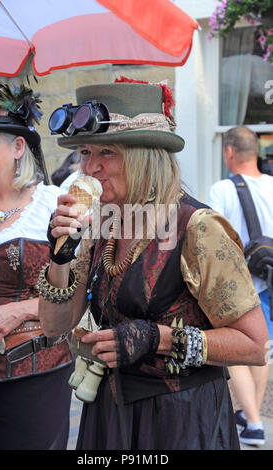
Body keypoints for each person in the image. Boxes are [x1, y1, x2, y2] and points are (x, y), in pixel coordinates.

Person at [38, 80, 269, 450]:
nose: (90, 166)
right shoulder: (102, 222)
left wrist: (156, 338)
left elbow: (254, 346)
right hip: (109, 414)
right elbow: (54, 325)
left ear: (146, 154)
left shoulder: (198, 227)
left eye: (107, 153)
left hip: (180, 419)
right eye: (84, 151)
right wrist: (60, 256)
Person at [0, 83, 74, 450]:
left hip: (36, 376)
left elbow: (88, 290)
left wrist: (20, 310)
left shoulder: (54, 206)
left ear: (18, 147)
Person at [207, 126, 273, 447]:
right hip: (269, 280)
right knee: (262, 349)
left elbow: (210, 237)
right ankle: (251, 416)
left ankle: (255, 422)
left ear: (230, 152)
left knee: (234, 351)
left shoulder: (222, 189)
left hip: (235, 285)